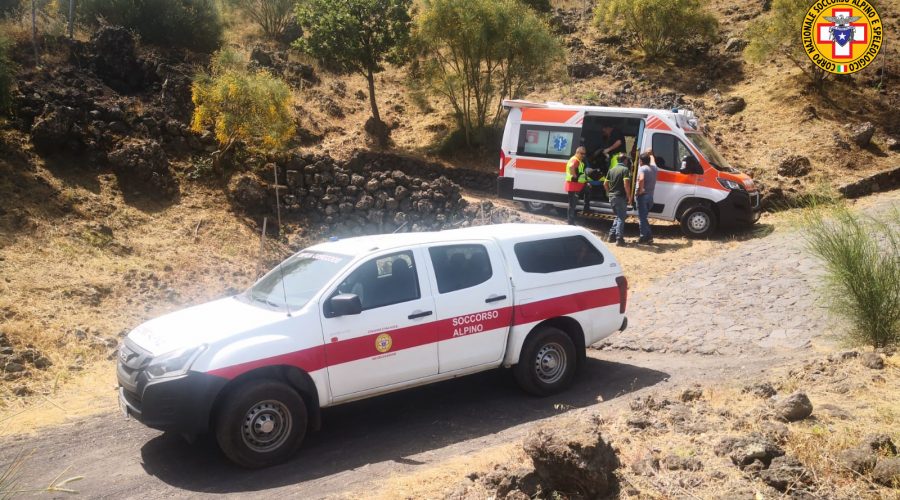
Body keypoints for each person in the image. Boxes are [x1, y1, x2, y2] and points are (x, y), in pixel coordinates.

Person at [603, 155, 633, 245]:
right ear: (625, 161)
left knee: (618, 216)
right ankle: (619, 239)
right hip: (620, 197)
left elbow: (605, 184)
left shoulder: (611, 170)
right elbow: (626, 184)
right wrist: (629, 196)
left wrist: (609, 193)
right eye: (627, 161)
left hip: (612, 197)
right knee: (621, 218)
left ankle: (611, 236)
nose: (627, 162)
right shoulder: (625, 170)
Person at [636, 151, 659, 244]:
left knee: (642, 218)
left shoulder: (642, 169)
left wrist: (641, 189)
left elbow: (641, 179)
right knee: (644, 218)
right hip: (650, 197)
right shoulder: (654, 168)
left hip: (643, 197)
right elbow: (653, 161)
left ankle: (643, 237)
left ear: (641, 161)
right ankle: (649, 237)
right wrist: (651, 154)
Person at [564, 146, 588, 225]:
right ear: (577, 152)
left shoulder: (578, 160)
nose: (583, 155)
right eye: (581, 154)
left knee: (573, 204)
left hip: (575, 185)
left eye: (584, 154)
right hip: (573, 185)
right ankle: (570, 222)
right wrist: (575, 176)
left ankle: (571, 220)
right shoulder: (575, 160)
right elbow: (571, 167)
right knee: (572, 205)